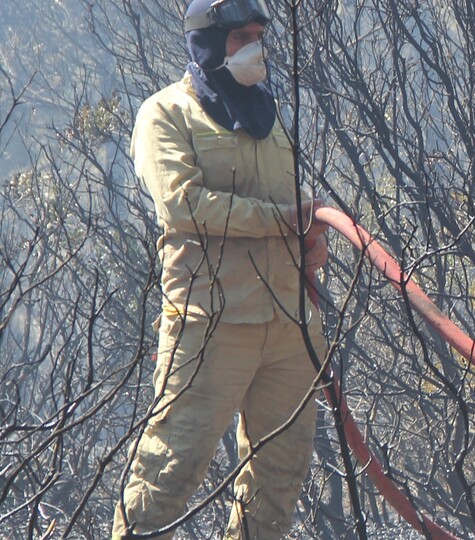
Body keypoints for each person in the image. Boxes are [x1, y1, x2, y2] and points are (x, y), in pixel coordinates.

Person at [112, 0, 328, 538]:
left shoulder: (269, 117)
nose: (255, 49)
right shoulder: (165, 114)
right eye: (240, 38)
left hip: (290, 326)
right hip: (209, 326)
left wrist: (311, 237)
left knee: (278, 480)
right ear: (207, 44)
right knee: (168, 471)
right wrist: (283, 221)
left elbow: (291, 205)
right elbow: (182, 204)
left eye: (258, 36)